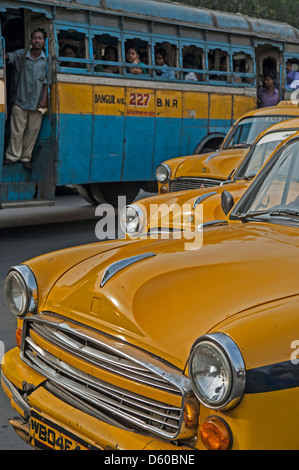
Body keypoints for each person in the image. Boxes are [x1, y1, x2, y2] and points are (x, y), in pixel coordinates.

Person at [3, 29, 49, 169]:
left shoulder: (47, 60)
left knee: (32, 131)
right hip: (20, 99)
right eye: (34, 38)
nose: (37, 40)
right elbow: (6, 57)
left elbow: (48, 82)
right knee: (17, 131)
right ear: (30, 41)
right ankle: (12, 156)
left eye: (40, 38)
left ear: (44, 42)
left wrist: (44, 99)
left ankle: (25, 157)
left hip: (37, 101)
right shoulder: (21, 54)